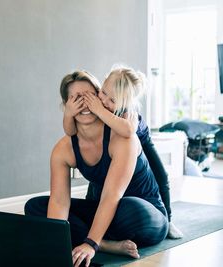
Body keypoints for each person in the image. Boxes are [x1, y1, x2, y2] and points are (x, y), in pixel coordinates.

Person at [25, 70, 169, 267]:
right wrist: (54, 243)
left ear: (100, 98)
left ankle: (93, 239)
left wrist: (90, 244)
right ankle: (107, 243)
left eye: (90, 96)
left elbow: (112, 195)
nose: (84, 104)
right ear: (66, 106)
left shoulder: (123, 137)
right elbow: (59, 201)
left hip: (142, 212)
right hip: (105, 210)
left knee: (130, 208)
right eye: (76, 98)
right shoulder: (63, 149)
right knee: (36, 207)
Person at [62, 66, 183, 239]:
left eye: (111, 100)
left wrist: (99, 110)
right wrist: (68, 114)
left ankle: (168, 220)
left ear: (124, 103)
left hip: (139, 139)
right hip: (113, 143)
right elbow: (70, 131)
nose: (103, 101)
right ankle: (95, 221)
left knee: (160, 175)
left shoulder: (128, 113)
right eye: (102, 92)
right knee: (99, 176)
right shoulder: (100, 108)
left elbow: (127, 131)